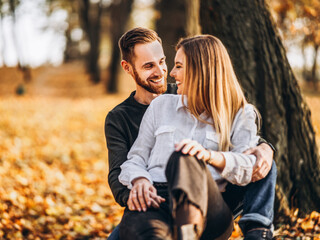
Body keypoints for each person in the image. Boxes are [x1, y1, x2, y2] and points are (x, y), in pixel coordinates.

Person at [105, 28, 276, 240]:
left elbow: (248, 157)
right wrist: (139, 185)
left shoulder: (234, 111)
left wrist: (266, 148)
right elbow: (124, 167)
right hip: (153, 198)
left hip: (206, 201)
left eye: (165, 62)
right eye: (149, 66)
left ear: (201, 70)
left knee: (184, 156)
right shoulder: (140, 112)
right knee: (131, 232)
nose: (165, 72)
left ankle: (255, 229)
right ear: (128, 68)